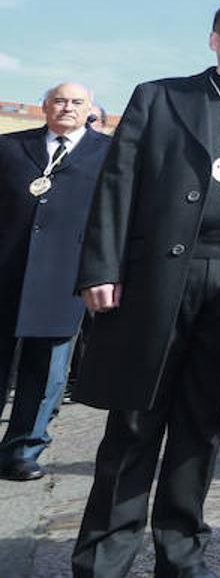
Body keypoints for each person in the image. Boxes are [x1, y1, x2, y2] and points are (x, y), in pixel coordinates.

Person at [71, 2, 220, 577]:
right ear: (214, 40)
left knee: (202, 424)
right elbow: (116, 185)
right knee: (133, 419)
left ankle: (180, 552)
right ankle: (105, 555)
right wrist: (101, 267)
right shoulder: (160, 97)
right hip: (157, 277)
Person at [0, 83, 109, 481]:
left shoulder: (109, 154)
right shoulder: (10, 146)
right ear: (44, 107)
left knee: (46, 367)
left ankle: (22, 450)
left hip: (65, 274)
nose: (67, 107)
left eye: (76, 102)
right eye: (59, 101)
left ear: (89, 110)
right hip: (7, 268)